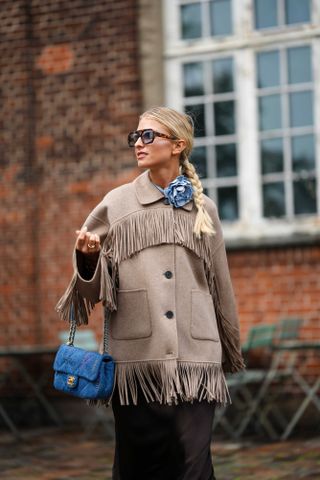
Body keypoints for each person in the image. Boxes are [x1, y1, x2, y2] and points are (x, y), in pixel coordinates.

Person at [56, 106, 245, 480]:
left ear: (177, 145)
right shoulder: (116, 205)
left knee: (195, 466)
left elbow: (221, 286)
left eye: (148, 136)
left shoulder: (203, 208)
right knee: (139, 467)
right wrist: (87, 258)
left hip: (196, 362)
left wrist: (229, 348)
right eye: (135, 137)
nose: (138, 144)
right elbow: (88, 292)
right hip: (136, 363)